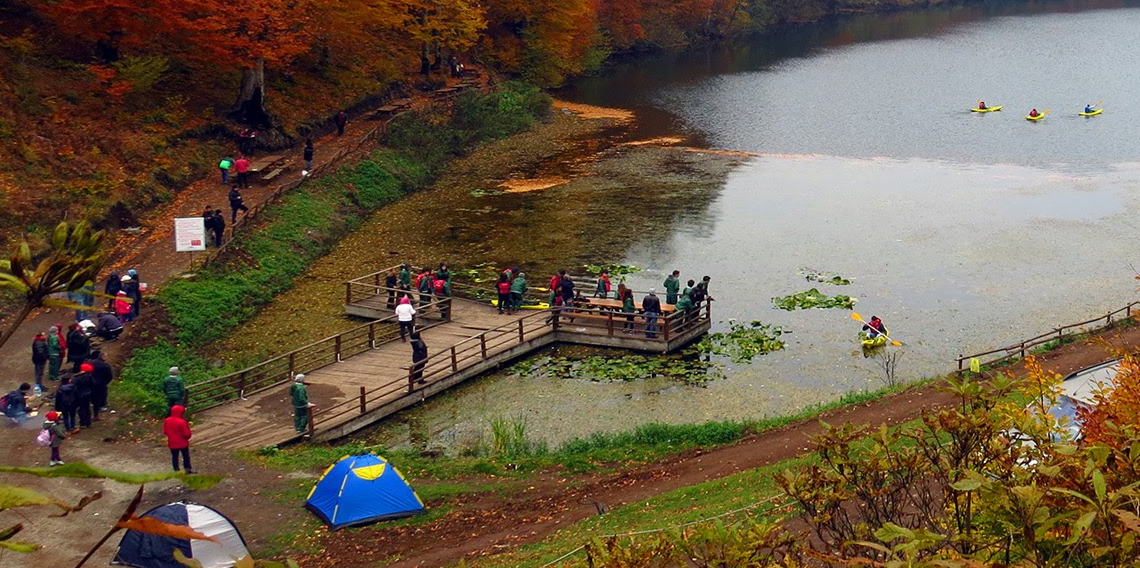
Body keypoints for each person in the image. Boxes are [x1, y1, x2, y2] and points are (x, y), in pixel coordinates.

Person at [164, 405, 195, 473]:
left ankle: (176, 469)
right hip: (182, 442)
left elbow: (165, 431)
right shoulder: (182, 422)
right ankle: (187, 469)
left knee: (174, 456)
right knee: (185, 456)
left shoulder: (167, 420)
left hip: (172, 442)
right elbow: (187, 434)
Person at [88, 350, 114, 416]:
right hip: (102, 382)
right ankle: (102, 406)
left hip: (92, 382)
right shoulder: (105, 365)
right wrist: (106, 382)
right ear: (102, 357)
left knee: (93, 393)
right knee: (102, 394)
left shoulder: (91, 363)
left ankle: (94, 404)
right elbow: (109, 375)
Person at [73, 364, 94, 429]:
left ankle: (83, 423)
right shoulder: (89, 377)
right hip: (88, 394)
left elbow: (74, 386)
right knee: (87, 408)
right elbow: (93, 384)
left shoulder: (77, 378)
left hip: (80, 395)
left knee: (81, 409)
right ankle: (89, 422)